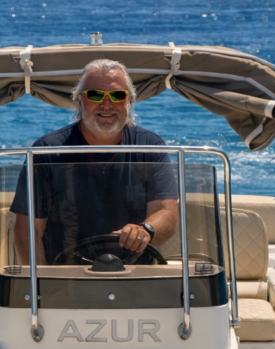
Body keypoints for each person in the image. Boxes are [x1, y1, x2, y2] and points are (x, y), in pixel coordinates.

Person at [11, 59, 178, 265]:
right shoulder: (46, 152)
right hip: (66, 283)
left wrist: (145, 230)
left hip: (134, 280)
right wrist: (43, 288)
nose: (106, 104)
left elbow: (167, 213)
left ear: (129, 101)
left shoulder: (151, 148)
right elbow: (28, 230)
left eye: (117, 95)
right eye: (95, 95)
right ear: (80, 100)